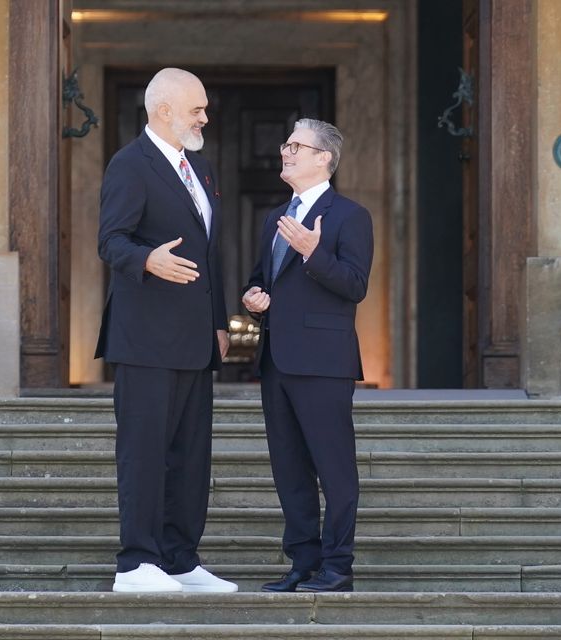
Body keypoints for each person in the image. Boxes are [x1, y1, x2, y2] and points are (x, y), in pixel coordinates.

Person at [97, 67, 236, 594]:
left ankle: (180, 559)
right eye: (197, 108)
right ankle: (137, 564)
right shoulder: (130, 165)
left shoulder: (200, 168)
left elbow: (209, 254)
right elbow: (111, 241)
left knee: (190, 455)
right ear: (164, 111)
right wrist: (147, 260)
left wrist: (219, 322)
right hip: (146, 337)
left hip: (196, 339)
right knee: (145, 450)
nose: (205, 116)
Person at [242, 119, 373, 593]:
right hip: (276, 359)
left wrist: (314, 253)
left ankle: (338, 567)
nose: (286, 151)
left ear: (325, 158)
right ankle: (302, 562)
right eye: (286, 144)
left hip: (324, 361)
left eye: (297, 145)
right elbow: (261, 279)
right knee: (290, 470)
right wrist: (254, 299)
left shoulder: (350, 215)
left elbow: (355, 285)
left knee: (334, 469)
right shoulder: (273, 217)